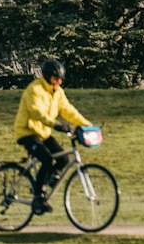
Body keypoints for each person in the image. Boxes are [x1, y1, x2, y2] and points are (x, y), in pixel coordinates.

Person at [13, 58, 91, 214]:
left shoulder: (58, 93)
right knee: (47, 160)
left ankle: (48, 179)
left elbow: (69, 111)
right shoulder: (35, 89)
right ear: (48, 77)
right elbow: (37, 112)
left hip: (43, 133)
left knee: (64, 159)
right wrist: (55, 124)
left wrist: (87, 124)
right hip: (27, 132)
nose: (59, 82)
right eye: (56, 79)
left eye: (60, 80)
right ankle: (38, 197)